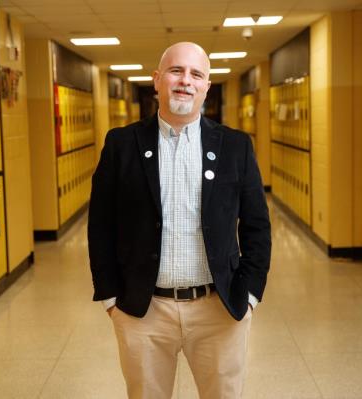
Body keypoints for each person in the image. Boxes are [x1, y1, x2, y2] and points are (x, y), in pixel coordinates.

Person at [88, 41, 271, 399]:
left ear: (206, 87)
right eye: (176, 71)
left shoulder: (236, 146)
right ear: (157, 80)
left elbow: (257, 226)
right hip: (143, 310)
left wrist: (248, 296)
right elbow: (101, 224)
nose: (185, 80)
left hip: (219, 309)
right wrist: (110, 298)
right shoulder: (122, 144)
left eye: (196, 74)